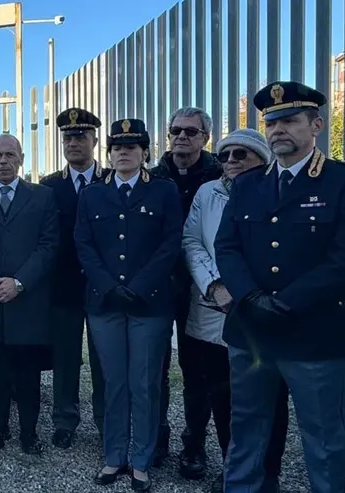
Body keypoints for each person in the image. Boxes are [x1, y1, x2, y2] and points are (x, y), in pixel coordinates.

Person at [216, 81, 345, 493]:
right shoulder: (248, 184)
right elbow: (227, 246)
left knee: (324, 436)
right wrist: (250, 297)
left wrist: (287, 302)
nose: (277, 130)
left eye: (289, 120)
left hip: (314, 331)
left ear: (317, 124)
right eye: (271, 123)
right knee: (247, 429)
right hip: (252, 330)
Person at [75, 118, 182, 492]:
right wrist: (107, 285)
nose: (123, 152)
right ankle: (113, 455)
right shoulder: (92, 194)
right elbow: (84, 245)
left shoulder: (164, 192)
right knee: (113, 383)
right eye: (117, 147)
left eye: (132, 147)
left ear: (145, 152)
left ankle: (141, 459)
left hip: (148, 303)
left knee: (145, 383)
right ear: (110, 153)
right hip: (104, 302)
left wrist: (138, 286)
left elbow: (170, 244)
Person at [181, 129, 290, 491]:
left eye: (241, 155)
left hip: (263, 309)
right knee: (221, 394)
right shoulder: (207, 192)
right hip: (214, 306)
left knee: (270, 401)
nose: (230, 162)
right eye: (225, 155)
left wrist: (246, 292)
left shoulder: (280, 190)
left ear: (262, 158)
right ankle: (233, 466)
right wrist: (214, 285)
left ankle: (268, 471)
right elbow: (193, 242)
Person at [0, 134, 58, 455]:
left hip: (27, 302)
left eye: (9, 155)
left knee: (28, 376)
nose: (2, 161)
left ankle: (29, 434)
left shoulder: (43, 197)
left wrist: (18, 282)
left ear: (21, 158)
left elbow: (49, 246)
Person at [148, 106, 222, 472]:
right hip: (159, 287)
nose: (181, 137)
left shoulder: (220, 175)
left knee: (199, 372)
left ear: (205, 137)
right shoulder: (151, 176)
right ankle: (155, 437)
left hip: (204, 290)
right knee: (155, 369)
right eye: (176, 130)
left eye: (191, 132)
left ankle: (194, 443)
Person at [40, 108, 108, 448]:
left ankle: (105, 422)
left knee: (103, 358)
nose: (74, 143)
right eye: (68, 137)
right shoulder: (49, 187)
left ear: (95, 140)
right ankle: (64, 420)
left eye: (80, 136)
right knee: (65, 358)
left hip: (103, 287)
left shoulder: (111, 181)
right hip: (63, 286)